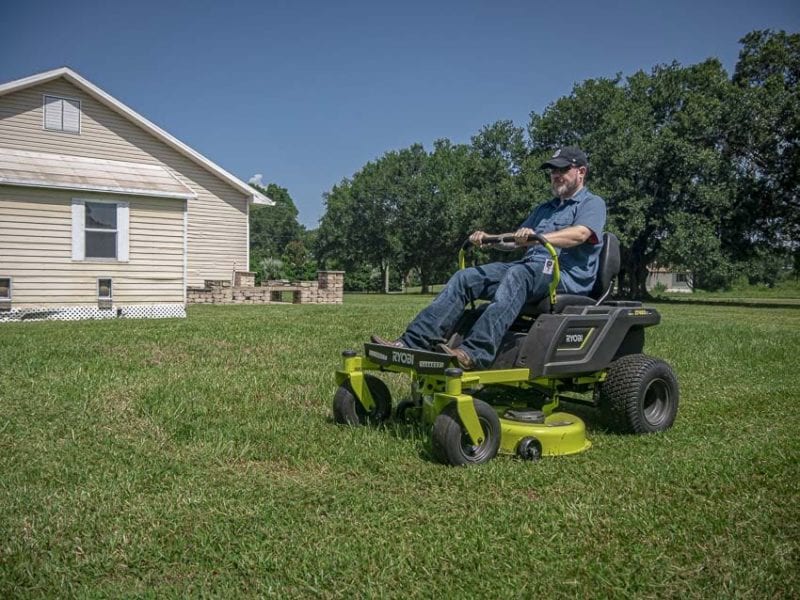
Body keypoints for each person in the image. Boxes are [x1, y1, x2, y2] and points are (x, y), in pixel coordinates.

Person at [372, 146, 606, 370]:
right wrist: (489, 238)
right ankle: (411, 343)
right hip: (529, 269)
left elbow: (580, 234)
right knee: (465, 277)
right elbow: (516, 240)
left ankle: (474, 352)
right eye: (553, 170)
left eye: (562, 169)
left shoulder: (592, 203)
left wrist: (536, 238)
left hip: (562, 275)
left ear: (581, 172)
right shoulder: (544, 209)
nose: (556, 175)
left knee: (517, 274)